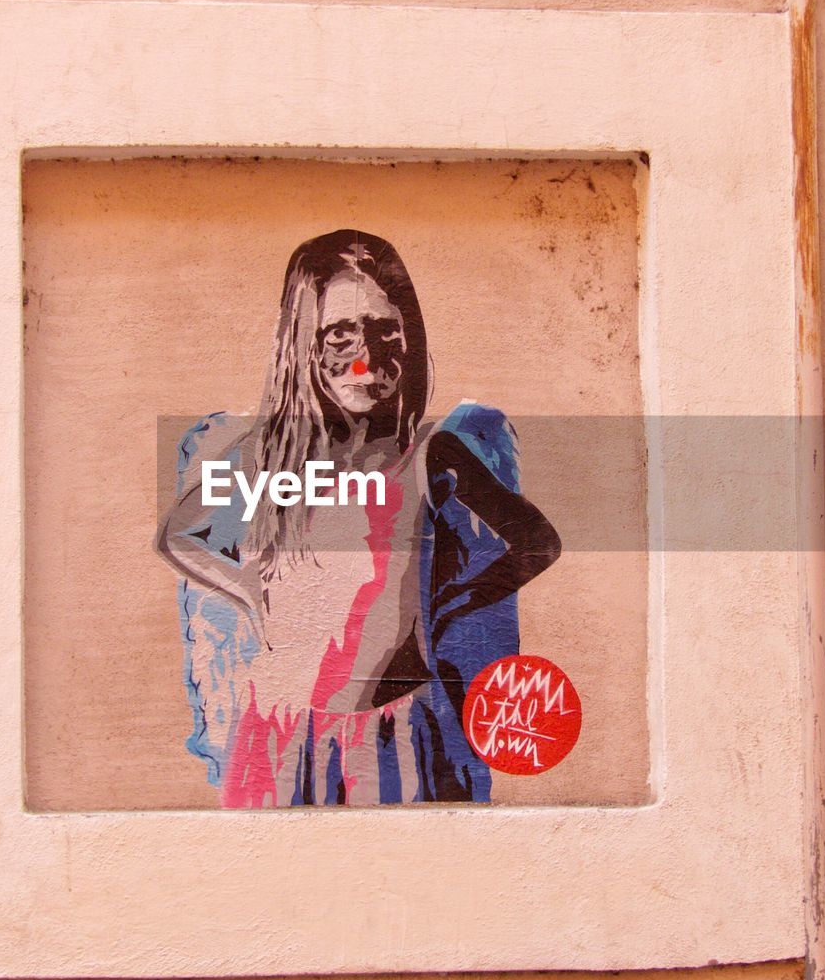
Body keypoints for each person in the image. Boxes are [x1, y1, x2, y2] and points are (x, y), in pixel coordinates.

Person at [158, 229, 560, 806]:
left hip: (395, 733)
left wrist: (445, 600)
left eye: (384, 332)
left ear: (409, 337)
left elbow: (535, 543)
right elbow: (181, 535)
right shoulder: (267, 459)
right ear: (303, 346)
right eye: (340, 336)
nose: (366, 360)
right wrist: (248, 589)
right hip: (280, 733)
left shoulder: (432, 454)